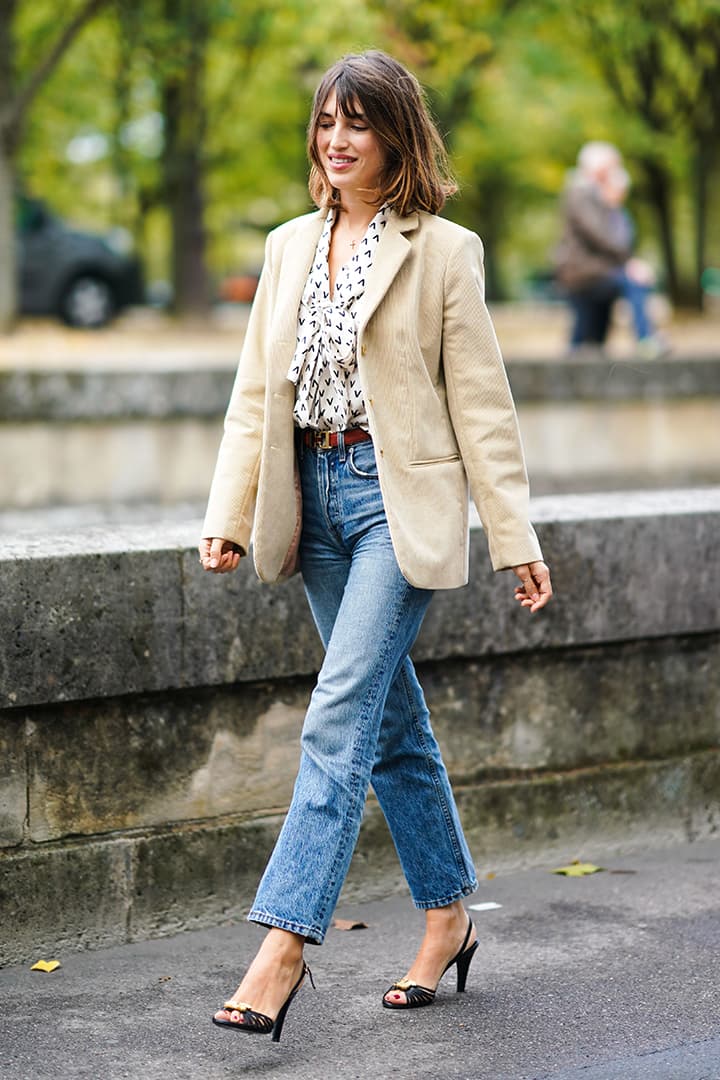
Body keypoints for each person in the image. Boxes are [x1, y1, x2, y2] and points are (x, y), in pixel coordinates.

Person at [199, 50, 552, 1042]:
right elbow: (252, 400)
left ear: (397, 135)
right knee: (391, 726)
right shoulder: (283, 248)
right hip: (310, 503)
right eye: (326, 122)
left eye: (359, 122)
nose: (338, 140)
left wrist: (514, 534)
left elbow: (483, 408)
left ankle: (283, 946)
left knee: (340, 710)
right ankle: (447, 919)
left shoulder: (445, 251)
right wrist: (228, 515)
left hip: (399, 504)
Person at [555, 141, 668, 357]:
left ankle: (640, 339)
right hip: (584, 271)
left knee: (588, 337)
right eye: (612, 166)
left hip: (595, 269)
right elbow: (599, 236)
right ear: (598, 167)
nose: (616, 171)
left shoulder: (593, 193)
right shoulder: (579, 191)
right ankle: (645, 338)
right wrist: (629, 263)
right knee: (632, 281)